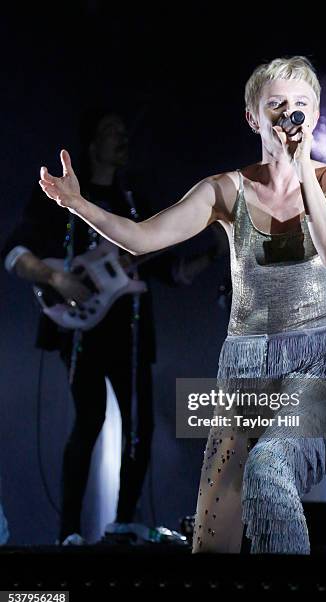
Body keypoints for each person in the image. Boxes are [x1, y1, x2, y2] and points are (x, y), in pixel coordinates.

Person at [38, 56, 326, 554]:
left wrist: (299, 171)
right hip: (246, 368)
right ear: (254, 117)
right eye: (276, 105)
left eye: (300, 106)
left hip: (318, 365)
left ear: (315, 116)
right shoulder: (226, 190)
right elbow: (142, 240)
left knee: (270, 467)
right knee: (213, 542)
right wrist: (79, 205)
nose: (288, 116)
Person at [1, 109, 193, 546]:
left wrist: (212, 253)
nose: (121, 138)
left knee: (139, 424)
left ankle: (122, 522)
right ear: (91, 143)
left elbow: (170, 270)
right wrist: (55, 277)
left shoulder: (134, 200)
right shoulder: (64, 196)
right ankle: (69, 530)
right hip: (82, 328)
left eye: (125, 131)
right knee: (89, 419)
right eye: (111, 131)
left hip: (130, 328)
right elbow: (14, 249)